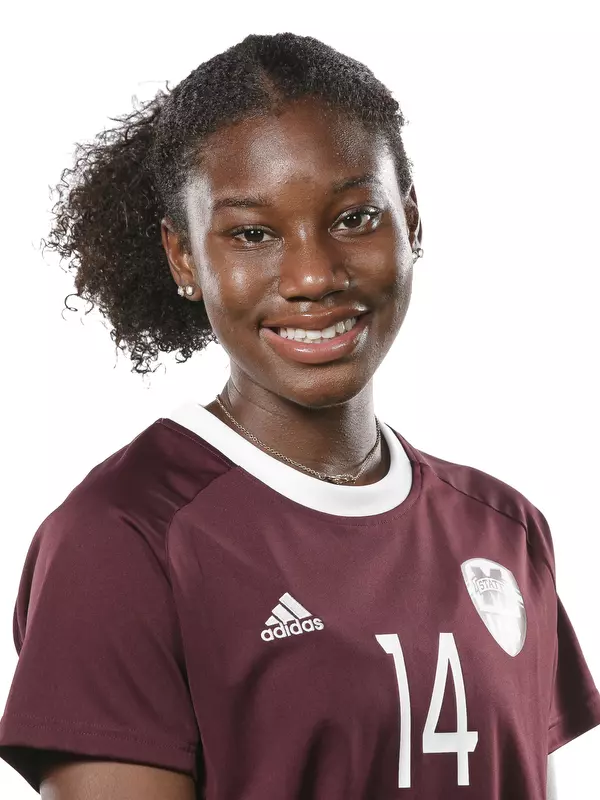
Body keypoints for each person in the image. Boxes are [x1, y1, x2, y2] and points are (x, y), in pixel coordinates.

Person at [0, 31, 598, 800]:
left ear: (411, 222)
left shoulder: (506, 531)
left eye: (354, 218)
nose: (314, 274)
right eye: (253, 233)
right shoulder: (125, 539)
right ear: (184, 258)